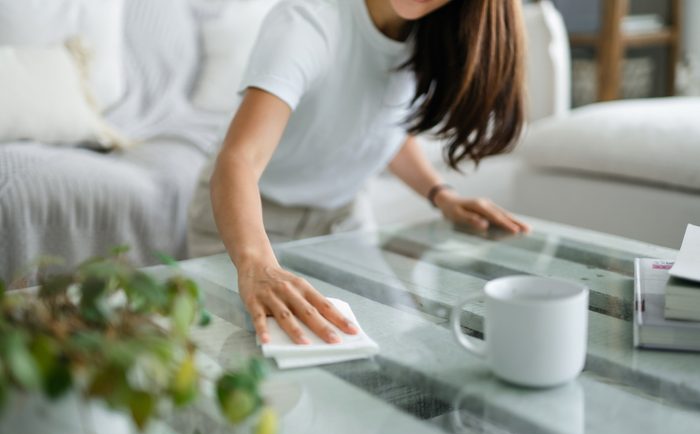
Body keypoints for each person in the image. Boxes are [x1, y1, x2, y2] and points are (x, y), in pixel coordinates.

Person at [187, 0, 531, 346]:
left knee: (384, 339)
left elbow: (383, 129)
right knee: (249, 352)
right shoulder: (309, 20)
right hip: (250, 220)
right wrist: (257, 265)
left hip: (341, 218)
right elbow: (239, 159)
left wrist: (440, 194)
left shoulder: (431, 34)